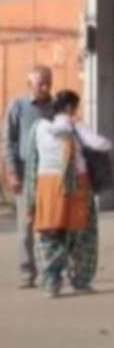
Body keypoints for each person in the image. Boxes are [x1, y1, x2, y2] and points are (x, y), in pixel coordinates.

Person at [27, 89, 110, 297]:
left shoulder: (38, 128)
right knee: (82, 237)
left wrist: (31, 198)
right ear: (70, 108)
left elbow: (32, 163)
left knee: (49, 235)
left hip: (47, 187)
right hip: (77, 188)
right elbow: (101, 144)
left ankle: (51, 283)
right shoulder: (77, 126)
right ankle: (80, 281)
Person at [5, 66, 54, 289]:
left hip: (49, 174)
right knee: (26, 226)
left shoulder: (54, 108)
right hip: (25, 172)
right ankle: (27, 271)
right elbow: (8, 142)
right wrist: (12, 172)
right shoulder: (17, 106)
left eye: (48, 82)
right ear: (30, 85)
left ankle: (50, 270)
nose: (45, 87)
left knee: (49, 225)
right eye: (41, 83)